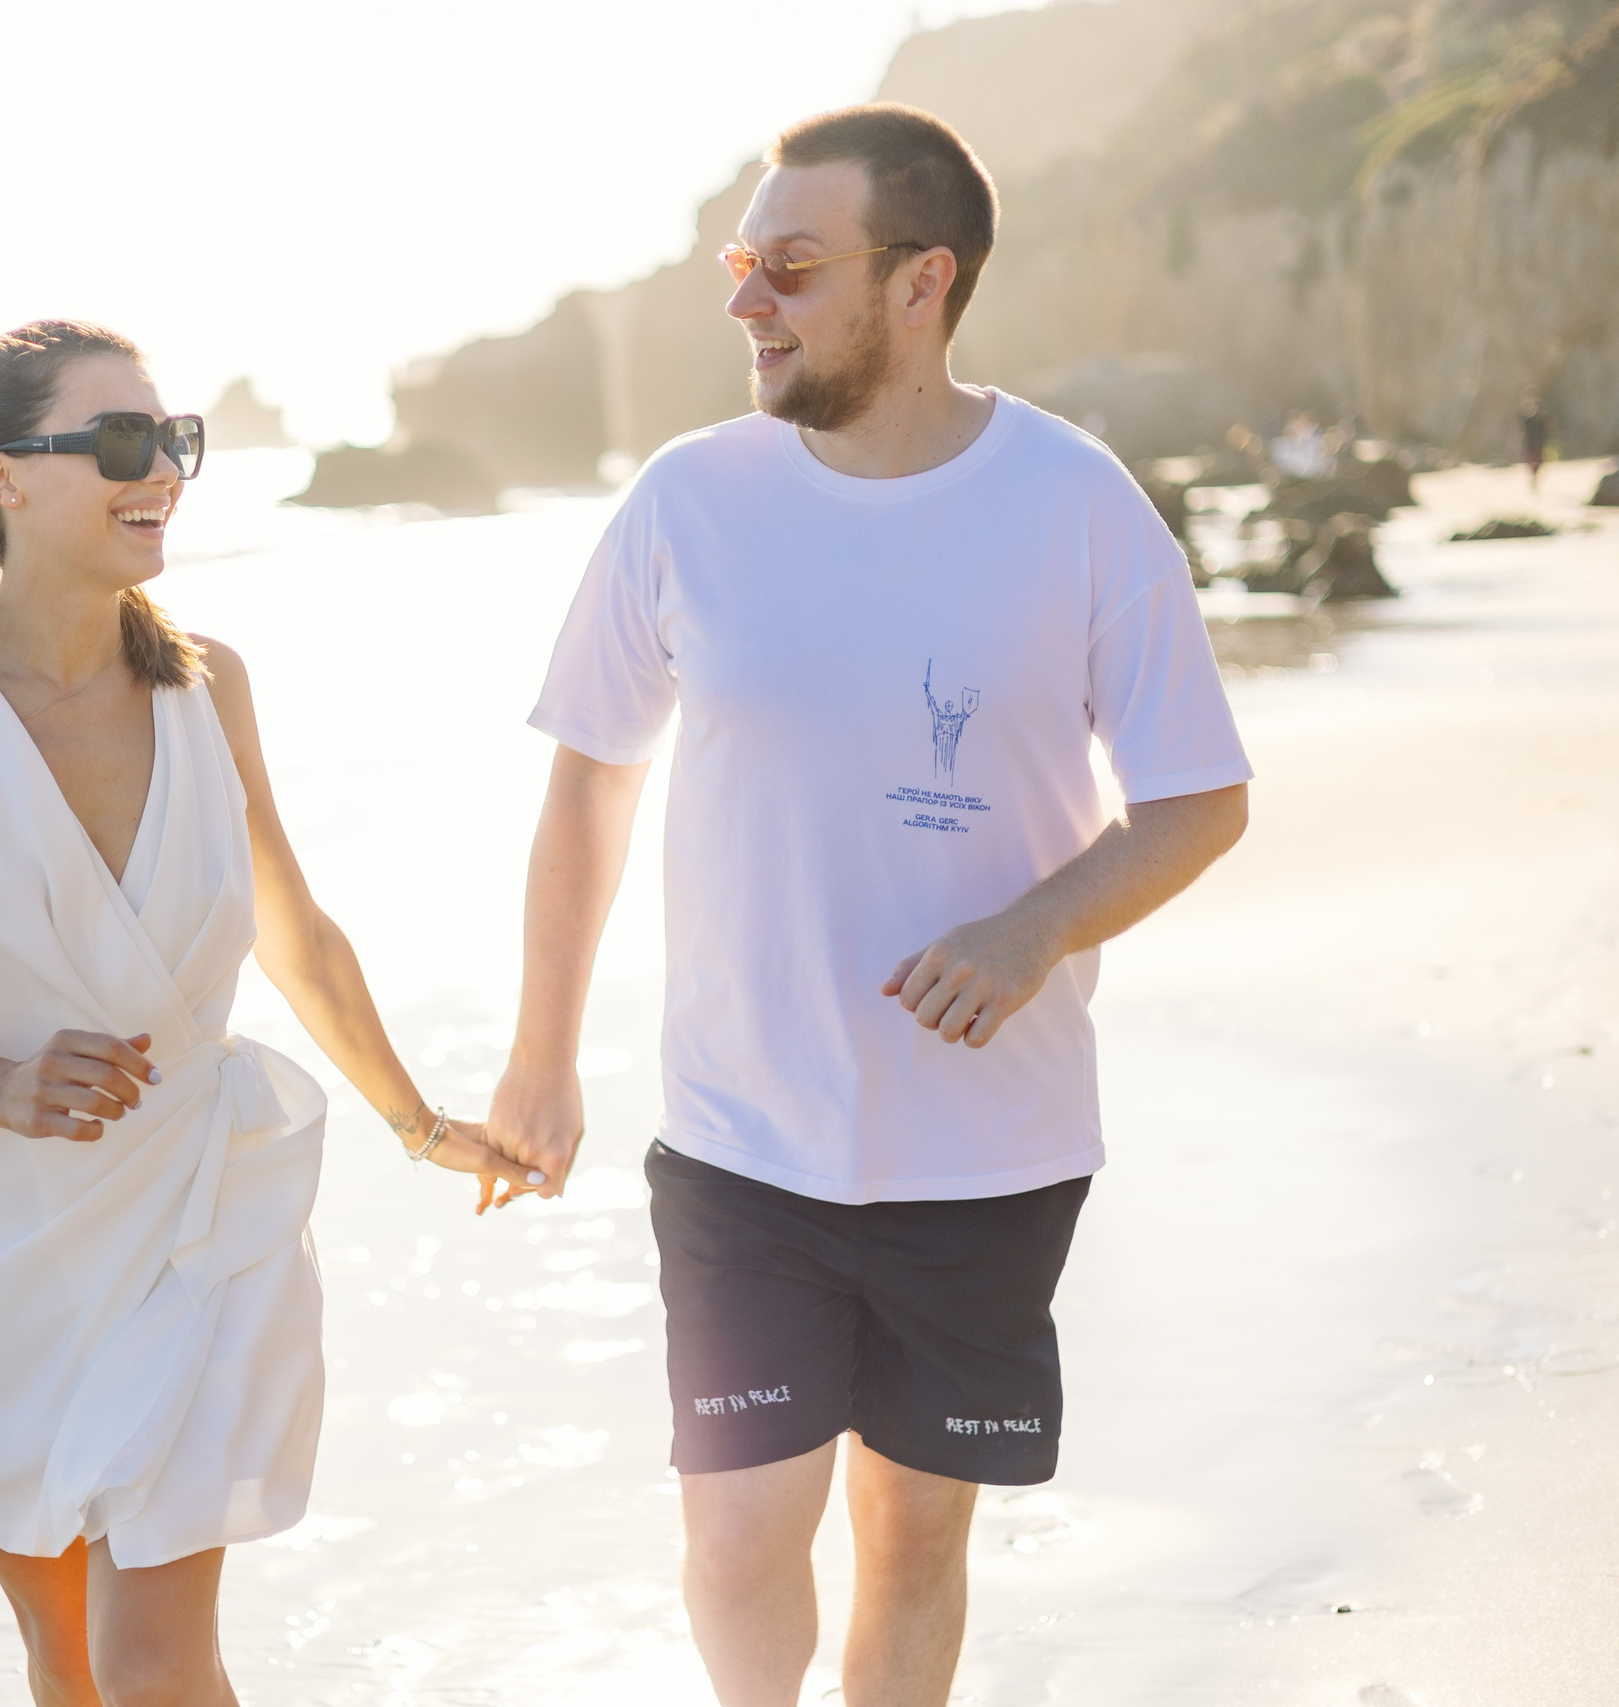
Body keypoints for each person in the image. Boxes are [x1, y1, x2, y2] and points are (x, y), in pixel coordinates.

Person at [488, 104, 1251, 1707]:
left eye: (791, 264)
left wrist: (1031, 928)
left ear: (921, 281)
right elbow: (591, 782)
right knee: (736, 1535)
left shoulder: (1076, 499)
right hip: (742, 1133)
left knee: (912, 1537)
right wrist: (539, 1057)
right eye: (741, 261)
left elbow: (1199, 796)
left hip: (987, 1145)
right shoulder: (689, 499)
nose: (746, 298)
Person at [0, 320, 536, 1707]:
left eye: (175, 439)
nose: (165, 472)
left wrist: (422, 1126)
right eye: (124, 441)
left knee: (150, 1665)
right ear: (2, 476)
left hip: (202, 1214)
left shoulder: (207, 682)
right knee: (69, 1661)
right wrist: (2, 1087)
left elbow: (298, 933)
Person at [1519, 396, 1552, 490]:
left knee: (1538, 462)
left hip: (1539, 444)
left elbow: (1546, 433)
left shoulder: (1542, 421)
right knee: (1532, 462)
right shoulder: (1528, 421)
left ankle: (1535, 477)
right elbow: (1524, 432)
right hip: (1531, 444)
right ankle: (1534, 478)